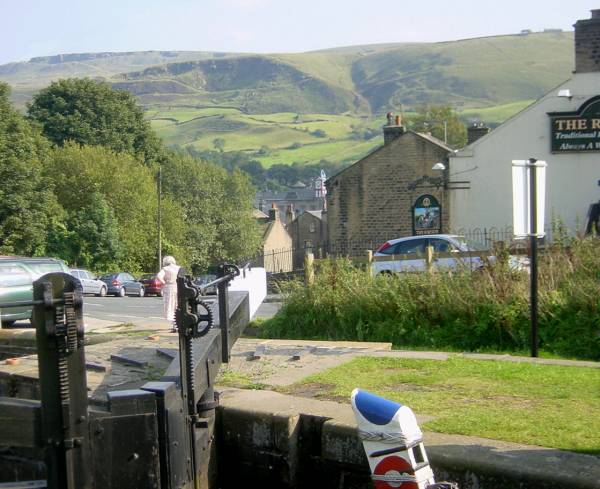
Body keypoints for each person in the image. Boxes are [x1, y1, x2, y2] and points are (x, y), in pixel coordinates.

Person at [156, 255, 181, 331]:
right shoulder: (179, 268)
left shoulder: (165, 269)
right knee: (178, 305)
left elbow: (159, 276)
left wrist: (164, 282)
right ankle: (178, 325)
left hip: (169, 288)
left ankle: (174, 325)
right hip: (178, 287)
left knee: (170, 306)